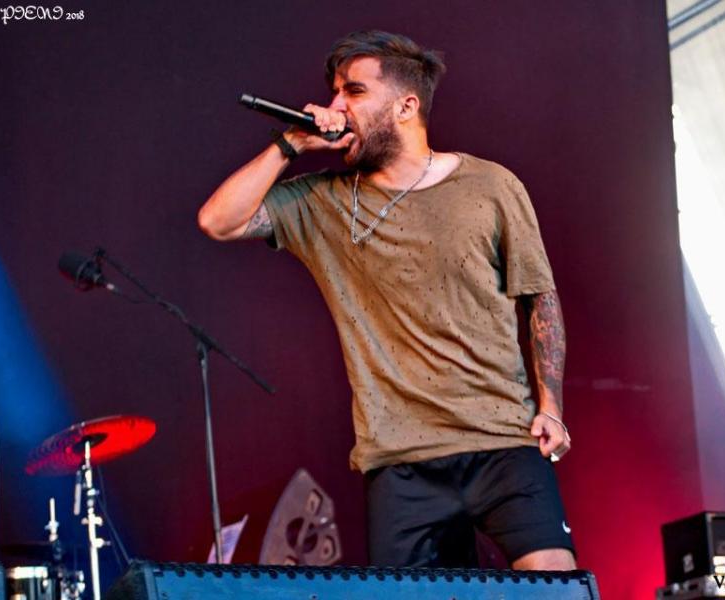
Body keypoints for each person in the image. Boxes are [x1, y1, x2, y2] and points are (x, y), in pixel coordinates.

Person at [198, 30, 575, 571]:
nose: (335, 107)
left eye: (353, 91)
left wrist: (551, 407)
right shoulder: (323, 200)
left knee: (554, 581)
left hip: (502, 440)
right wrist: (292, 143)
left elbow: (540, 301)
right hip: (400, 460)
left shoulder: (491, 186)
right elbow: (218, 221)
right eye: (334, 92)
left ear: (406, 106)